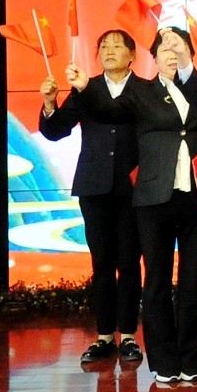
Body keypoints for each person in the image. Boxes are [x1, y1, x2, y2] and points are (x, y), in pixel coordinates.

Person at [67, 29, 197, 385]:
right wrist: (84, 87)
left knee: (192, 282)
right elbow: (107, 109)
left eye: (179, 48)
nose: (172, 54)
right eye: (165, 49)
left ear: (190, 55)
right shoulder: (141, 93)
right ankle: (164, 363)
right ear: (153, 57)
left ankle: (191, 361)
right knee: (156, 282)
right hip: (153, 199)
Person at [39, 29, 144, 364]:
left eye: (117, 46)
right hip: (94, 186)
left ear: (132, 55)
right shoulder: (86, 88)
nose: (109, 51)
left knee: (129, 261)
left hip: (133, 188)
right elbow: (55, 131)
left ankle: (128, 335)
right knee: (102, 262)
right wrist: (50, 103)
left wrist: (85, 90)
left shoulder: (144, 90)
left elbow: (119, 112)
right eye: (103, 46)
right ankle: (104, 336)